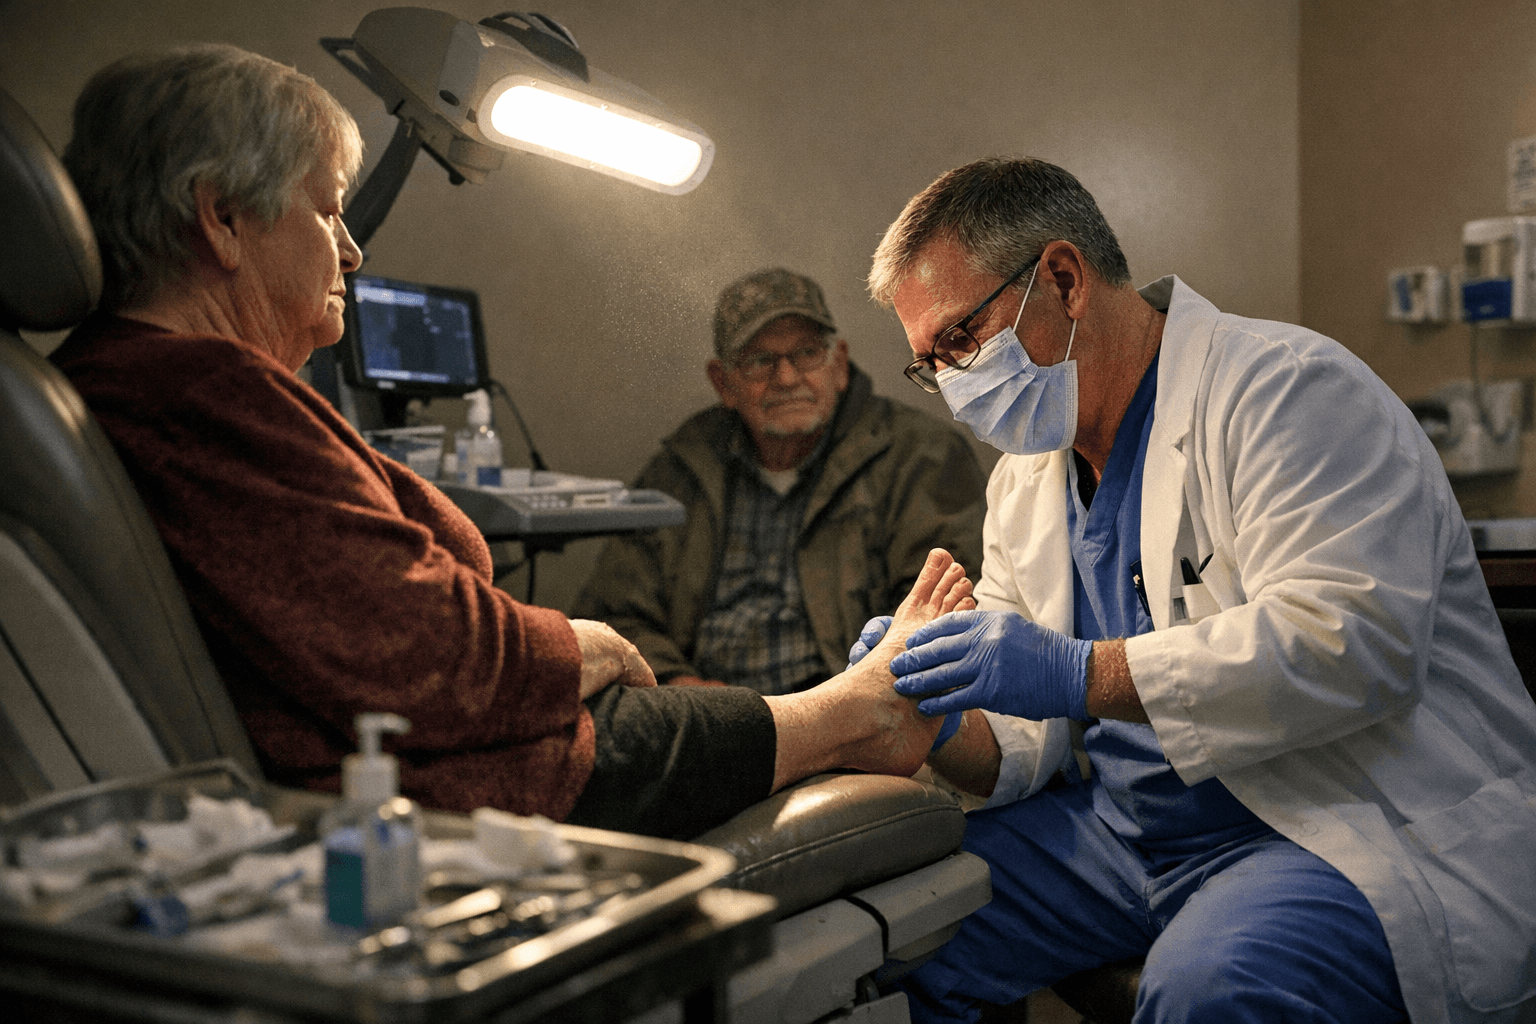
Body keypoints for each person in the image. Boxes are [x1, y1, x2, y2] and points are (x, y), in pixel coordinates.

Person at [47, 43, 975, 843]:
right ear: (221, 217)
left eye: (804, 354)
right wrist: (577, 646)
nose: (351, 249)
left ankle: (849, 709)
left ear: (843, 362)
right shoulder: (196, 393)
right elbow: (426, 653)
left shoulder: (150, 384)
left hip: (484, 742)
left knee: (690, 716)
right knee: (699, 716)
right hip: (467, 784)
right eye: (328, 210)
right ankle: (854, 715)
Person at [850, 157, 1536, 1023]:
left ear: (1063, 279)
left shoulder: (1287, 390)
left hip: (1320, 823)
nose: (952, 386)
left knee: (1215, 992)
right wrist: (946, 711)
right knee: (890, 925)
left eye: (960, 341)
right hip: (1124, 835)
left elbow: (1351, 646)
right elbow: (1029, 743)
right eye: (929, 364)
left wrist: (1075, 671)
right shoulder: (1029, 478)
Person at [573, 268, 987, 696]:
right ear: (724, 382)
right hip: (700, 714)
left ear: (839, 364)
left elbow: (942, 615)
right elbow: (612, 617)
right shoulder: (683, 467)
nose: (787, 378)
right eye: (760, 361)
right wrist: (690, 692)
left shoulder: (921, 456)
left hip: (853, 711)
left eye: (806, 354)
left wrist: (831, 708)